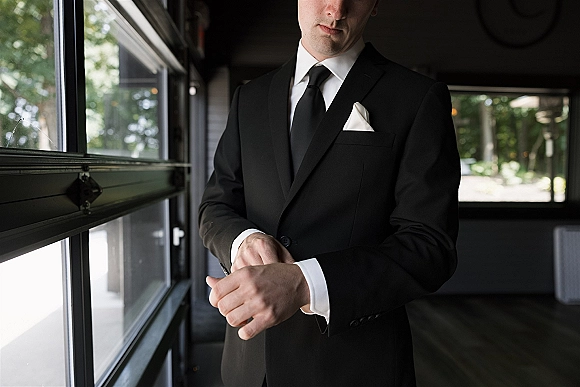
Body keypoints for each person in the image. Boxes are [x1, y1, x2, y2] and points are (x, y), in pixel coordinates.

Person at [199, 0, 460, 385]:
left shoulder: (418, 98)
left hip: (355, 365)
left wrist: (305, 282)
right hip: (250, 365)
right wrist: (243, 241)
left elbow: (430, 245)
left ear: (375, 6)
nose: (336, 9)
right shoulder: (249, 98)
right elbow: (215, 205)